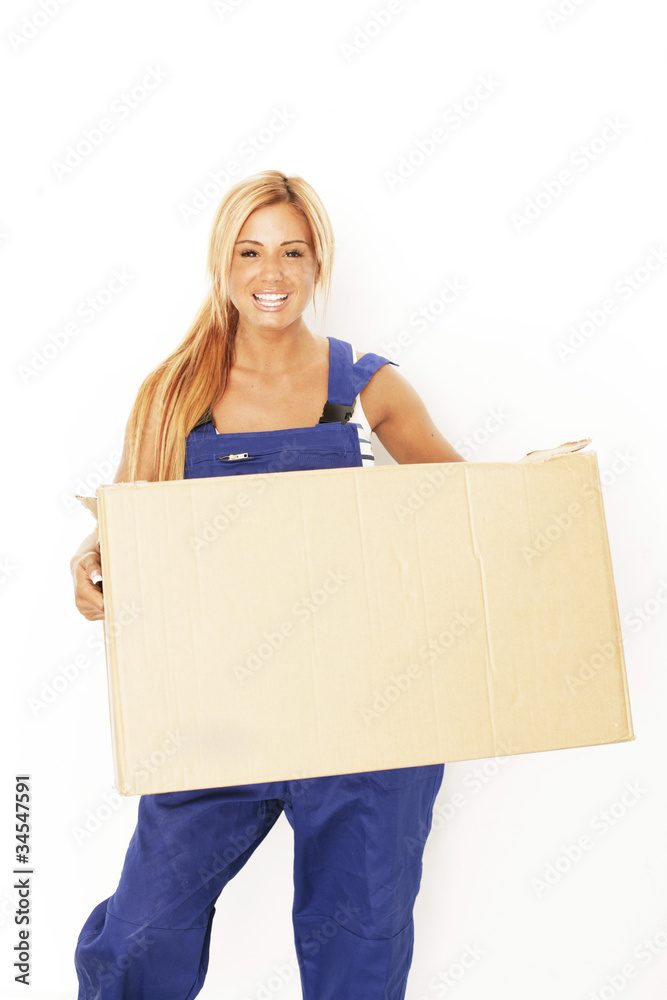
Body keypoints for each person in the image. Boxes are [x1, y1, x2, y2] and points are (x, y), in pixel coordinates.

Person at [70, 169, 466, 999]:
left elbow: (466, 521)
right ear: (223, 263)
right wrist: (92, 562)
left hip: (369, 723)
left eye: (291, 251)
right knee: (141, 934)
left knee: (359, 952)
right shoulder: (174, 396)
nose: (271, 273)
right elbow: (130, 530)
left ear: (318, 262)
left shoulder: (368, 391)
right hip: (220, 715)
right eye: (249, 252)